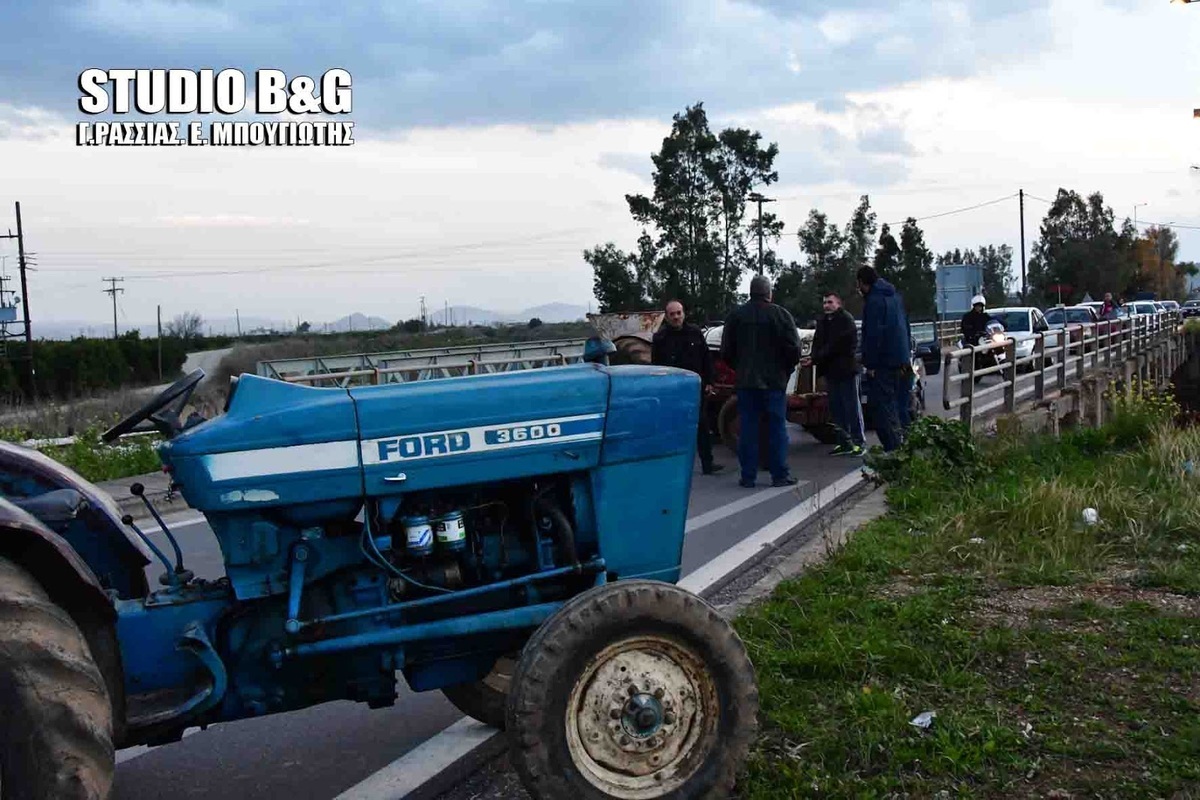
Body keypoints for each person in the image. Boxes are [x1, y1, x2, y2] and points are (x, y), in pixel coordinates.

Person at [720, 275, 801, 488]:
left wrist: (740, 368)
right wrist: (785, 370)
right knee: (776, 429)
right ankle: (779, 474)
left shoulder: (736, 316)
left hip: (746, 382)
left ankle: (748, 476)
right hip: (774, 382)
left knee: (748, 429)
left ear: (751, 292)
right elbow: (794, 349)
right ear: (769, 293)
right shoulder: (781, 315)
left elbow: (726, 351)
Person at [651, 300, 724, 475]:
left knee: (702, 427)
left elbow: (706, 359)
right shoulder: (660, 339)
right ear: (667, 317)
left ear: (684, 313)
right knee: (674, 429)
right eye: (672, 314)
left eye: (679, 313)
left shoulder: (695, 333)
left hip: (695, 389)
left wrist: (709, 382)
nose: (676, 317)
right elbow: (657, 367)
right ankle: (675, 467)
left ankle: (708, 463)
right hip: (673, 392)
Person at [857, 266, 912, 452]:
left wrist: (870, 363)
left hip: (883, 363)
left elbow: (873, 334)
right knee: (900, 405)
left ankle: (894, 449)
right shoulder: (896, 297)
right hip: (902, 359)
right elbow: (906, 325)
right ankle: (908, 444)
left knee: (881, 407)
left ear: (862, 283)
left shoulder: (874, 302)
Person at [805, 292, 864, 456]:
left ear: (839, 304)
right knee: (837, 410)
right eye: (824, 302)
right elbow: (818, 342)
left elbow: (837, 345)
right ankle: (844, 442)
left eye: (830, 302)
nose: (826, 305)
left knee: (851, 406)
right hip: (831, 372)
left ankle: (858, 442)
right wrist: (813, 358)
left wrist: (817, 357)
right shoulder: (823, 322)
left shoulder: (846, 320)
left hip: (846, 370)